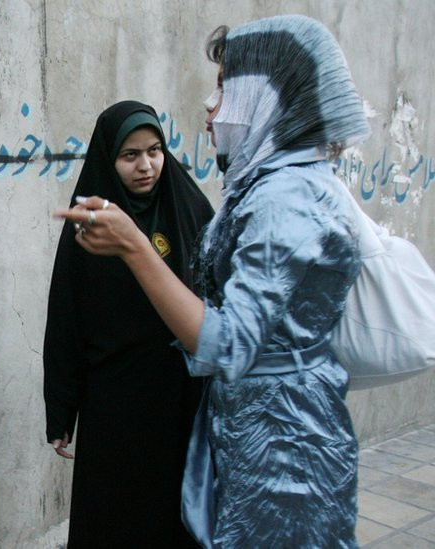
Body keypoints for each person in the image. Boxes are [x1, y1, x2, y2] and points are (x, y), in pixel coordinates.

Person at [54, 15, 369, 548]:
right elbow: (65, 318)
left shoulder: (283, 201)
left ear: (264, 97)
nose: (209, 104)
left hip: (281, 445)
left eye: (225, 87)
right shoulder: (270, 187)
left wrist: (133, 245)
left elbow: (230, 343)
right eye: (131, 155)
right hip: (245, 427)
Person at [44, 101, 213, 547]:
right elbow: (66, 317)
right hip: (116, 406)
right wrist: (61, 408)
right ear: (107, 158)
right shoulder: (91, 223)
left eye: (155, 150)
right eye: (130, 155)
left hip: (182, 398)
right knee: (118, 520)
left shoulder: (191, 207)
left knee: (177, 520)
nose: (146, 166)